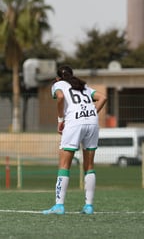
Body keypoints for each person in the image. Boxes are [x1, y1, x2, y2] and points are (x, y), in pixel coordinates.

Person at [43, 65, 107, 215]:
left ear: (58, 78)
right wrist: (91, 112)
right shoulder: (82, 86)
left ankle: (59, 205)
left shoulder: (58, 84)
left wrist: (60, 119)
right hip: (92, 123)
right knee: (89, 165)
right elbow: (103, 97)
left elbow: (60, 97)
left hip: (74, 124)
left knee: (64, 165)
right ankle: (89, 206)